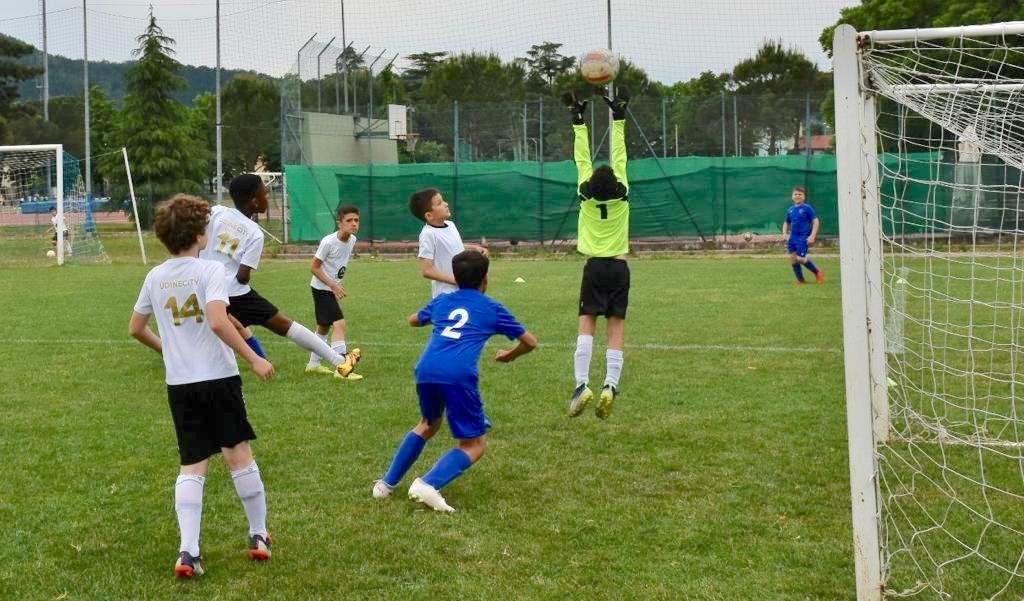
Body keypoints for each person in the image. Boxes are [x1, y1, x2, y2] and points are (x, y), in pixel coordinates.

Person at [128, 194, 276, 579]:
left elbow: (136, 329)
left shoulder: (154, 276)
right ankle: (259, 535)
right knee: (238, 453)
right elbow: (216, 320)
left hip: (180, 384)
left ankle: (188, 551)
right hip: (218, 378)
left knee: (193, 463)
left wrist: (168, 350)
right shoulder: (210, 271)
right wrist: (254, 357)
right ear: (199, 233)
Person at [372, 250, 537, 513]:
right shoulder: (492, 308)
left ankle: (385, 485)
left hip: (426, 369)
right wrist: (509, 355)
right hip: (458, 375)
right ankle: (427, 484)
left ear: (456, 279)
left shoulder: (443, 301)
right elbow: (530, 342)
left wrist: (434, 315)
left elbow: (413, 320)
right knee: (474, 444)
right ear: (485, 279)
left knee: (428, 424)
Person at [200, 174, 361, 379]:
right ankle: (340, 363)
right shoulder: (254, 232)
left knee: (228, 326)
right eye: (265, 194)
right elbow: (242, 276)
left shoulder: (217, 211)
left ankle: (261, 360)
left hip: (204, 286)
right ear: (254, 201)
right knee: (285, 325)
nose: (268, 197)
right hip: (233, 291)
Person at [561, 87, 631, 420]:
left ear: (590, 182)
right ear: (616, 180)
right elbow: (620, 155)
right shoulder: (623, 193)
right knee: (615, 327)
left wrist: (578, 121)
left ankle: (581, 384)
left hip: (593, 268)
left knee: (586, 324)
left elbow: (581, 159)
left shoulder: (584, 194)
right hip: (619, 267)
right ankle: (610, 385)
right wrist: (619, 118)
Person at [305, 204, 361, 377]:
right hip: (322, 288)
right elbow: (314, 267)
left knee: (323, 327)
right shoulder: (328, 242)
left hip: (330, 288)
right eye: (349, 220)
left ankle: (313, 364)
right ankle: (342, 368)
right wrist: (333, 285)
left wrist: (336, 283)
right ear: (339, 223)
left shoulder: (352, 240)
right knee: (339, 324)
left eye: (356, 220)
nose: (354, 224)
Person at [409, 188, 488, 298]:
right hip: (446, 294)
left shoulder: (450, 225)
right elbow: (427, 270)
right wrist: (457, 280)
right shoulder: (428, 234)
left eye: (443, 200)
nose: (446, 204)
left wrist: (473, 248)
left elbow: (453, 247)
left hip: (464, 291)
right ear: (429, 215)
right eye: (440, 203)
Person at [782, 186, 824, 285]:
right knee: (793, 259)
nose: (797, 196)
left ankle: (817, 272)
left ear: (804, 197)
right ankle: (801, 280)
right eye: (795, 194)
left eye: (800, 194)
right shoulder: (790, 209)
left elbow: (816, 221)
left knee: (799, 258)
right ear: (792, 196)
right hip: (793, 237)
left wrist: (812, 236)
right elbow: (786, 222)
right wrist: (784, 233)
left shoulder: (807, 208)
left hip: (803, 237)